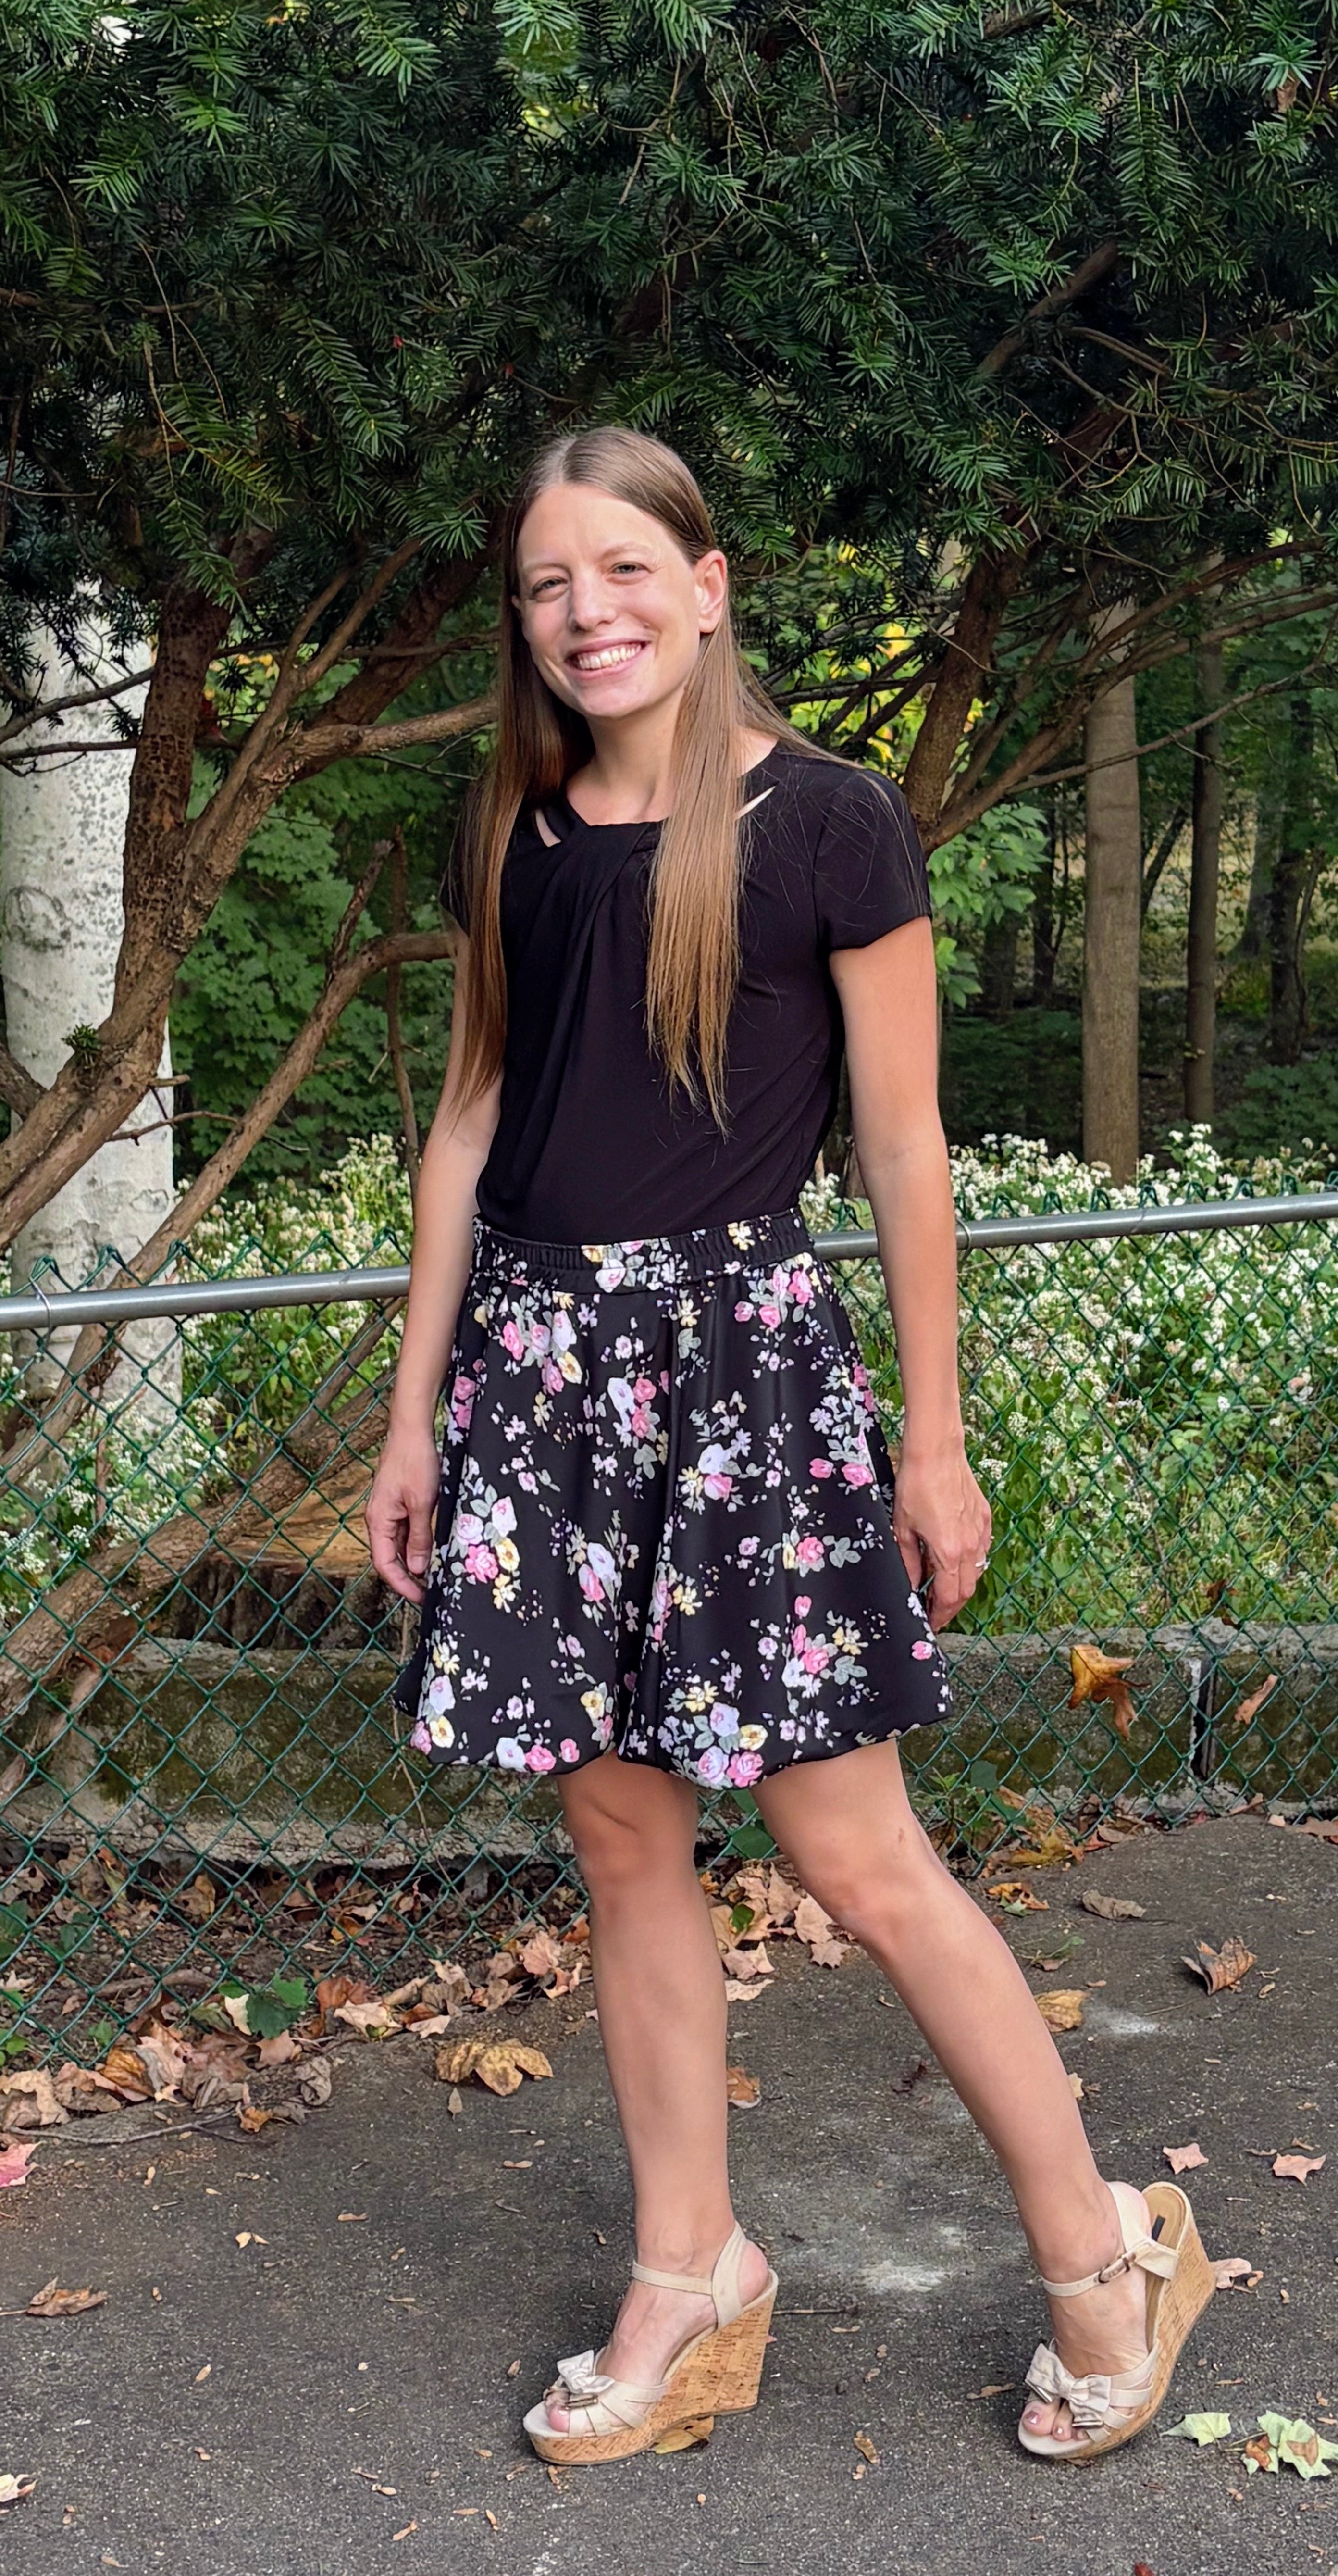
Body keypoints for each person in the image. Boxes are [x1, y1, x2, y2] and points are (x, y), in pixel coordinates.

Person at [367, 425, 1212, 2467]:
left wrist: (938, 1438)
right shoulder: (517, 830)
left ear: (708, 583)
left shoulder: (828, 821)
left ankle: (1105, 2246)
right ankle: (692, 2270)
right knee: (622, 1835)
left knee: (854, 1852)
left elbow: (906, 1146)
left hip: (744, 1379)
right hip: (541, 1386)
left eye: (624, 568)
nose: (587, 611)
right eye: (549, 582)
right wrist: (415, 1417)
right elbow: (471, 1126)